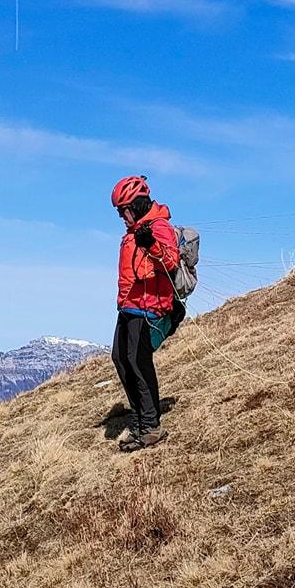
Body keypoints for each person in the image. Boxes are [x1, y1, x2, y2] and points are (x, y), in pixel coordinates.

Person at [110, 174, 179, 451]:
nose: (121, 216)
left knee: (137, 362)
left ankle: (150, 427)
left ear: (136, 204)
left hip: (148, 307)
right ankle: (139, 420)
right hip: (128, 305)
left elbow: (170, 262)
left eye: (123, 210)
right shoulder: (132, 231)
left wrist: (150, 242)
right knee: (120, 359)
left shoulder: (158, 227)